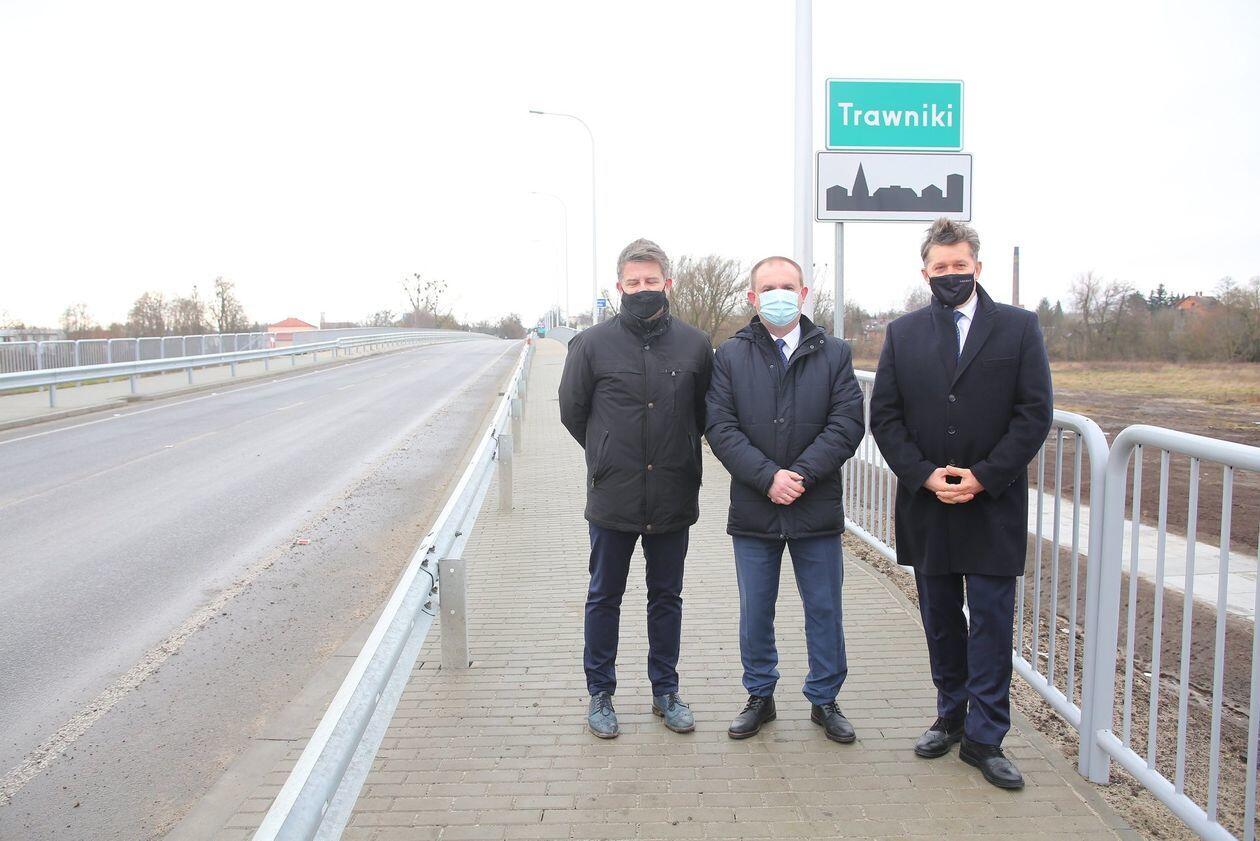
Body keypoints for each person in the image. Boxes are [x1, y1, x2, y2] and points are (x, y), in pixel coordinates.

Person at [869, 217, 1053, 789]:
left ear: (977, 266)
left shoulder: (1018, 328)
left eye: (960, 264)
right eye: (940, 266)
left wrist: (984, 476)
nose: (951, 273)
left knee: (992, 623)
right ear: (925, 271)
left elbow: (1034, 413)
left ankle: (985, 736)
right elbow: (886, 417)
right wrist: (924, 476)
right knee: (941, 618)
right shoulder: (903, 333)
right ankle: (950, 715)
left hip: (992, 503)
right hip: (928, 503)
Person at [704, 255, 865, 744]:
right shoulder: (730, 356)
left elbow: (847, 423)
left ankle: (825, 698)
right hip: (755, 507)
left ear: (804, 293)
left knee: (824, 609)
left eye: (787, 286)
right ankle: (760, 695)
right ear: (753, 297)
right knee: (756, 610)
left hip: (815, 506)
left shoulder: (834, 353)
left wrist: (800, 475)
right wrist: (768, 477)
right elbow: (720, 427)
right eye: (769, 288)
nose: (779, 295)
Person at [558, 238, 714, 739]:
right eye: (633, 282)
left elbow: (705, 413)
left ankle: (665, 691)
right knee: (605, 596)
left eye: (651, 280)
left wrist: (680, 450)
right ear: (619, 286)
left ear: (668, 283)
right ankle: (600, 693)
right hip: (614, 493)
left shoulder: (695, 344)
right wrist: (606, 451)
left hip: (673, 491)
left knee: (666, 596)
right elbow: (573, 412)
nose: (642, 289)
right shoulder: (590, 344)